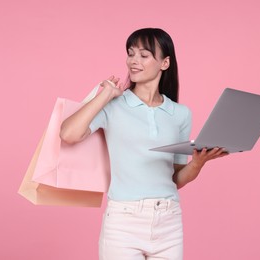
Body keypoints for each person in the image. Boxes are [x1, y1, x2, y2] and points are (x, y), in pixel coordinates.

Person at [60, 28, 228, 260]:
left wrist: (198, 163)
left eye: (144, 55)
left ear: (165, 63)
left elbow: (175, 179)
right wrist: (105, 95)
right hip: (123, 221)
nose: (133, 61)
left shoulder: (180, 114)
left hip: (168, 221)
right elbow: (68, 134)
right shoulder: (113, 105)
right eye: (130, 53)